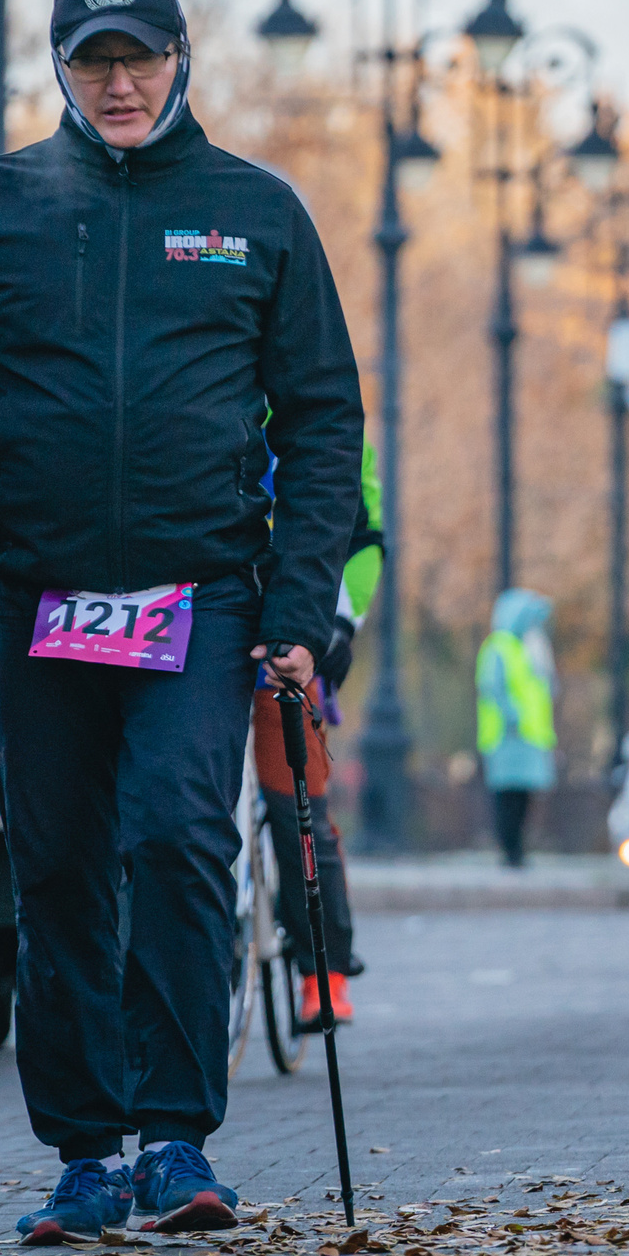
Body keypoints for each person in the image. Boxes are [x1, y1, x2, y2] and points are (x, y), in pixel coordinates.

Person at [0, 0, 364, 1244]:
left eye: (140, 59)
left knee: (177, 835)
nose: (118, 84)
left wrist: (296, 604)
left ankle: (177, 1139)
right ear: (58, 72)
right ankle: (84, 1153)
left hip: (203, 593)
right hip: (36, 591)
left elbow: (326, 419)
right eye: (92, 63)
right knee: (58, 864)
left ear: (183, 59)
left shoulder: (257, 212)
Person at [248, 437, 386, 1031]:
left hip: (289, 647)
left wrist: (337, 624)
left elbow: (365, 539)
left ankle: (322, 974)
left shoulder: (317, 419)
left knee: (296, 807)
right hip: (190, 638)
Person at [476, 588, 558, 867]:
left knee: (523, 798)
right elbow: (492, 688)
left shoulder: (532, 647)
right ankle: (510, 851)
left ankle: (517, 850)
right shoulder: (499, 647)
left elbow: (543, 689)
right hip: (506, 736)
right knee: (508, 799)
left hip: (531, 737)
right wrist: (512, 716)